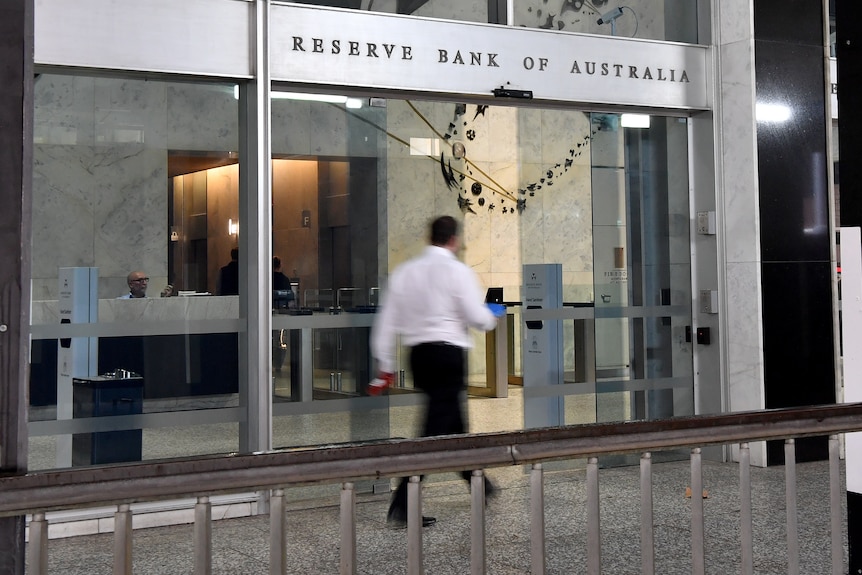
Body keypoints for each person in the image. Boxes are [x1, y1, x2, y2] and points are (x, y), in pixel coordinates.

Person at [370, 215, 507, 529]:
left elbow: (386, 322)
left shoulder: (406, 272)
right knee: (433, 430)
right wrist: (492, 316)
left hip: (419, 356)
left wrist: (385, 365)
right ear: (454, 240)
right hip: (448, 357)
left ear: (429, 237)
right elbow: (477, 318)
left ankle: (479, 483)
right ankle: (402, 504)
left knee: (453, 424)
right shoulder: (458, 272)